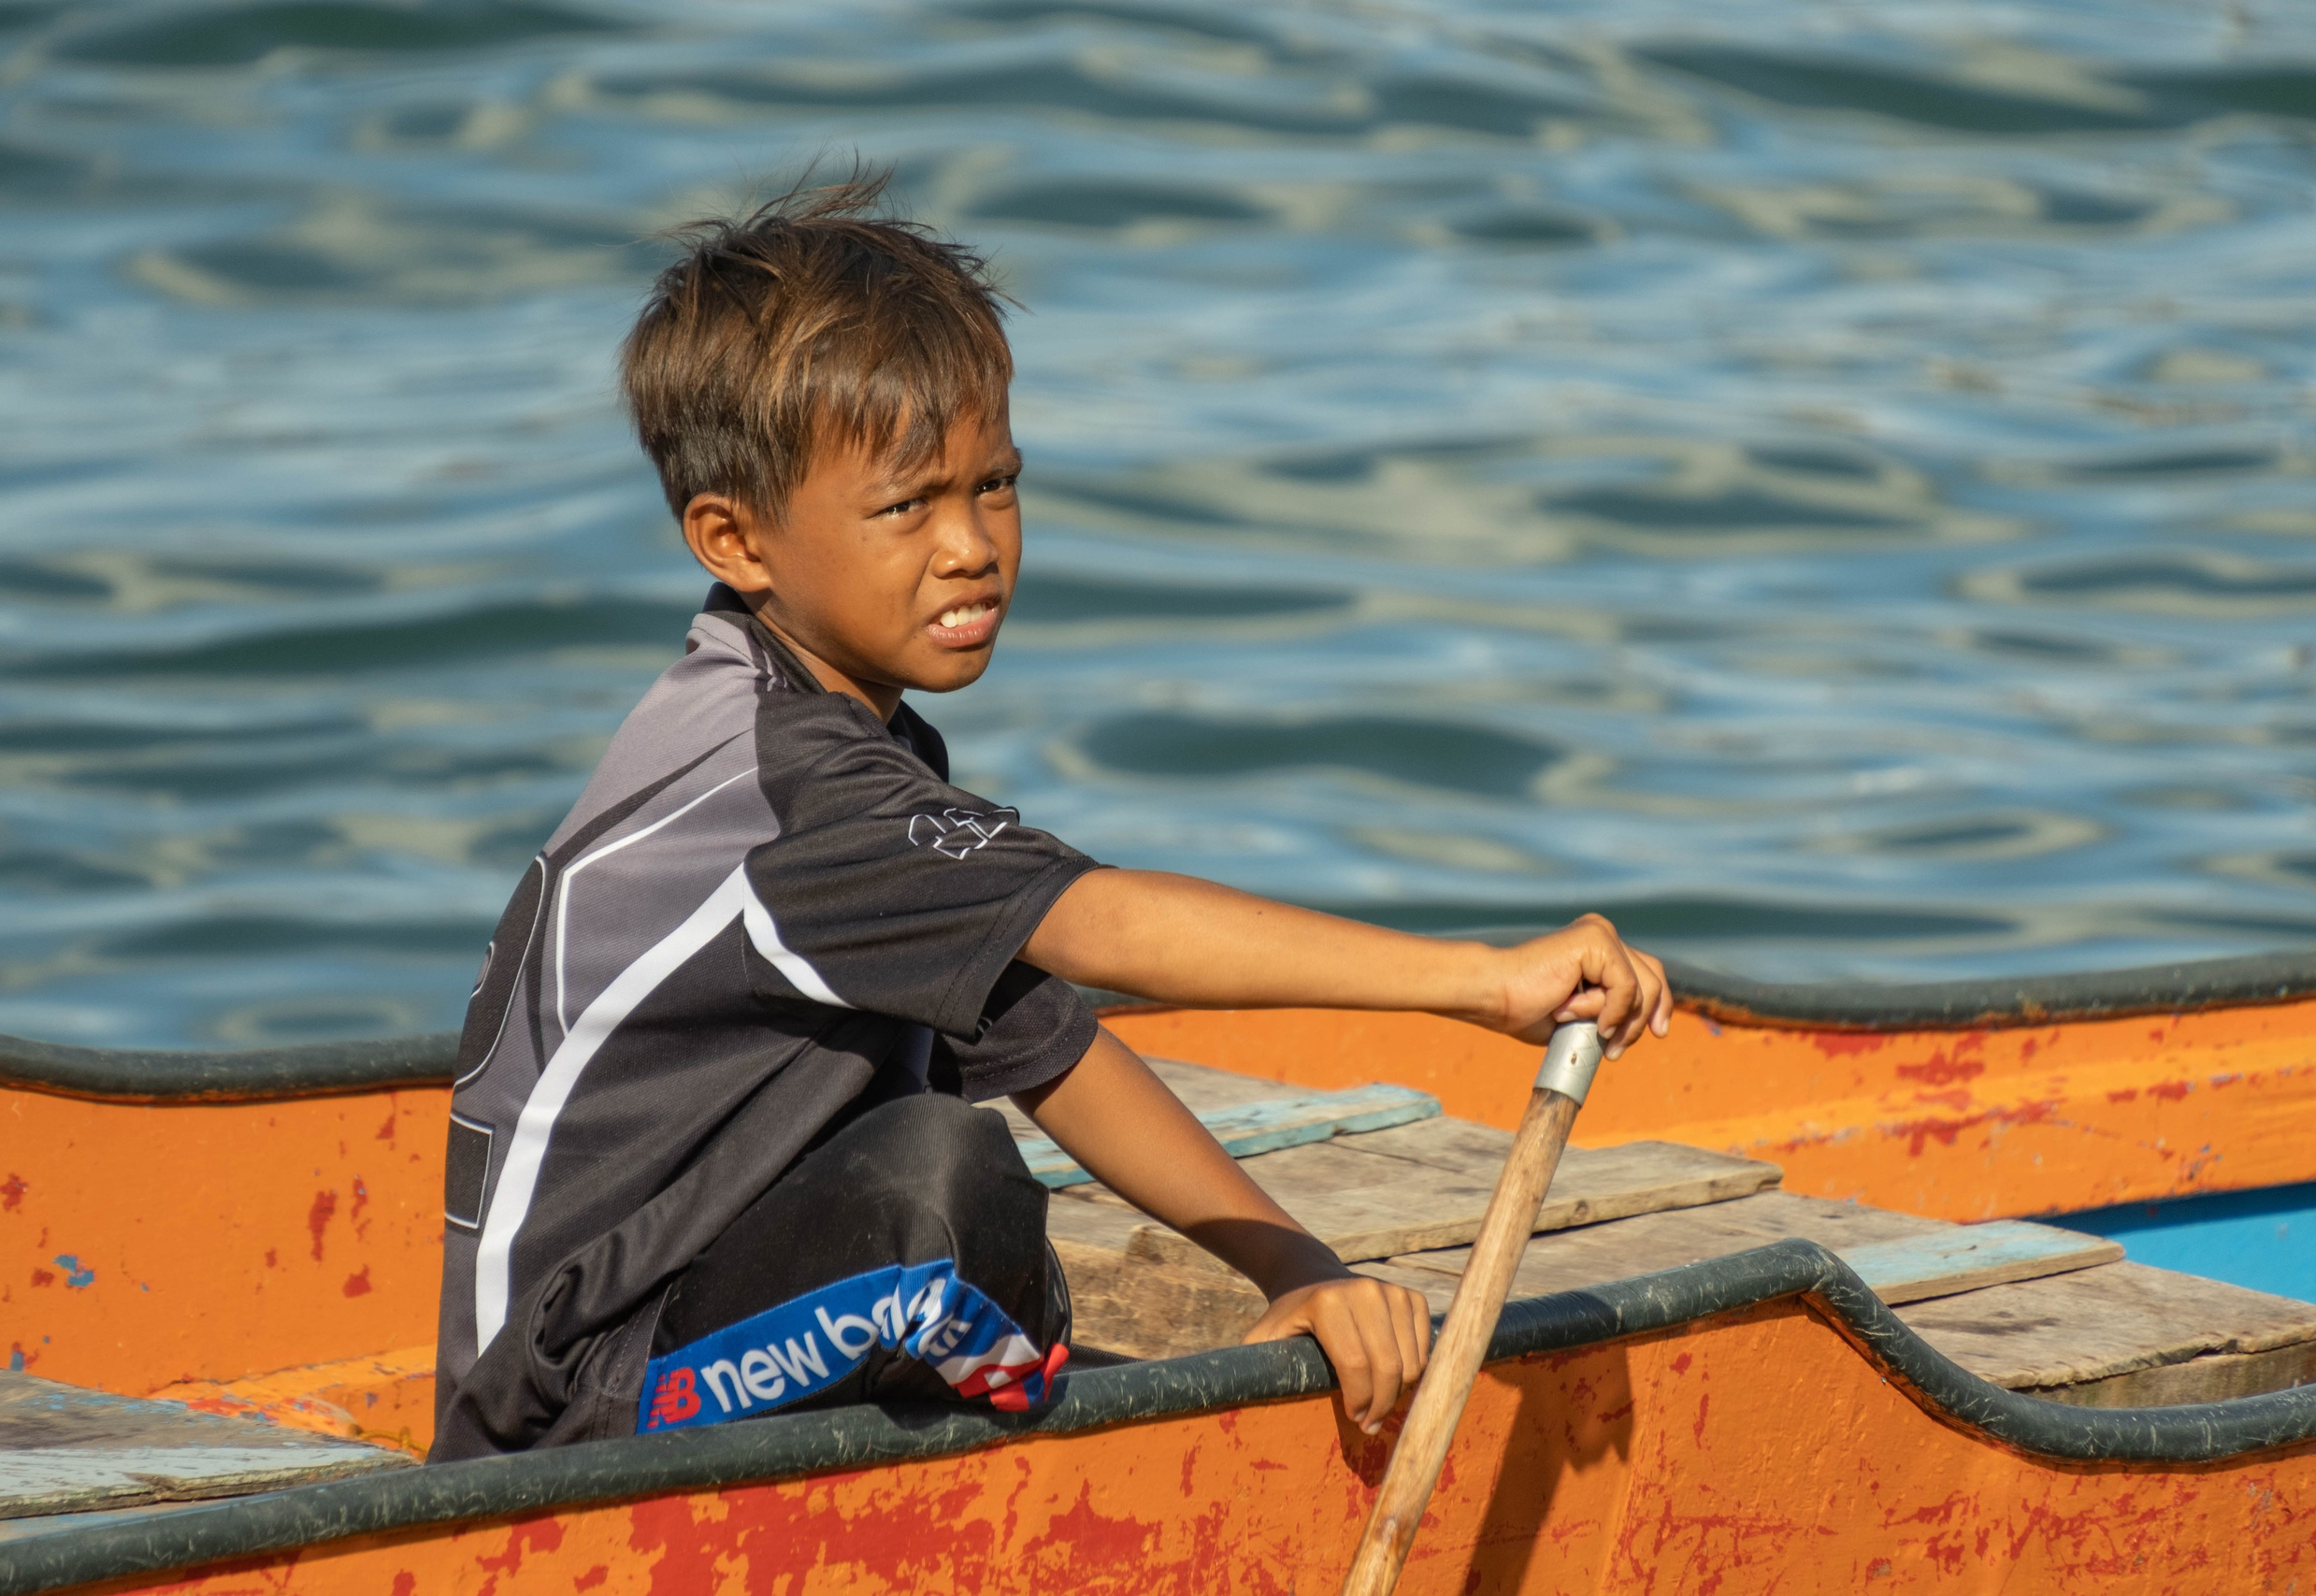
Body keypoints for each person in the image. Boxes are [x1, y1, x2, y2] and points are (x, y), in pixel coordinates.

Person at [427, 172, 1671, 1462]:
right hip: (569, 1410)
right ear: (733, 539)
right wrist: (1479, 981)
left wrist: (1295, 1263)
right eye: (908, 505)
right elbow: (1106, 925)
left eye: (996, 486)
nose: (972, 545)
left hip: (677, 1311)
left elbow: (1052, 1049)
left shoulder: (830, 737)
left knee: (955, 1187)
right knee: (947, 1204)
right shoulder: (795, 794)